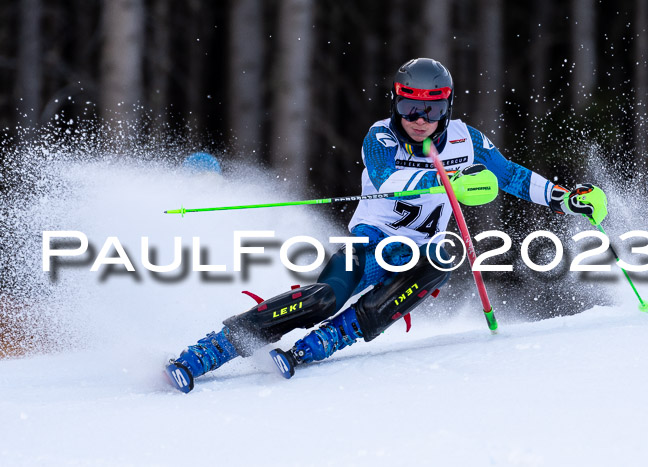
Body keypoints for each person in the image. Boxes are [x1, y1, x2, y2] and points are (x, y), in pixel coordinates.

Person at [165, 58, 607, 393]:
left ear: (446, 108)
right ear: (396, 102)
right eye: (408, 106)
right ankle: (215, 347)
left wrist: (566, 199)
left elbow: (511, 176)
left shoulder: (466, 140)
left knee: (446, 254)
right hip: (369, 244)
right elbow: (388, 181)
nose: (417, 119)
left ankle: (327, 341)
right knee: (324, 297)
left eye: (429, 111)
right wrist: (448, 179)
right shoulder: (382, 136)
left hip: (418, 253)